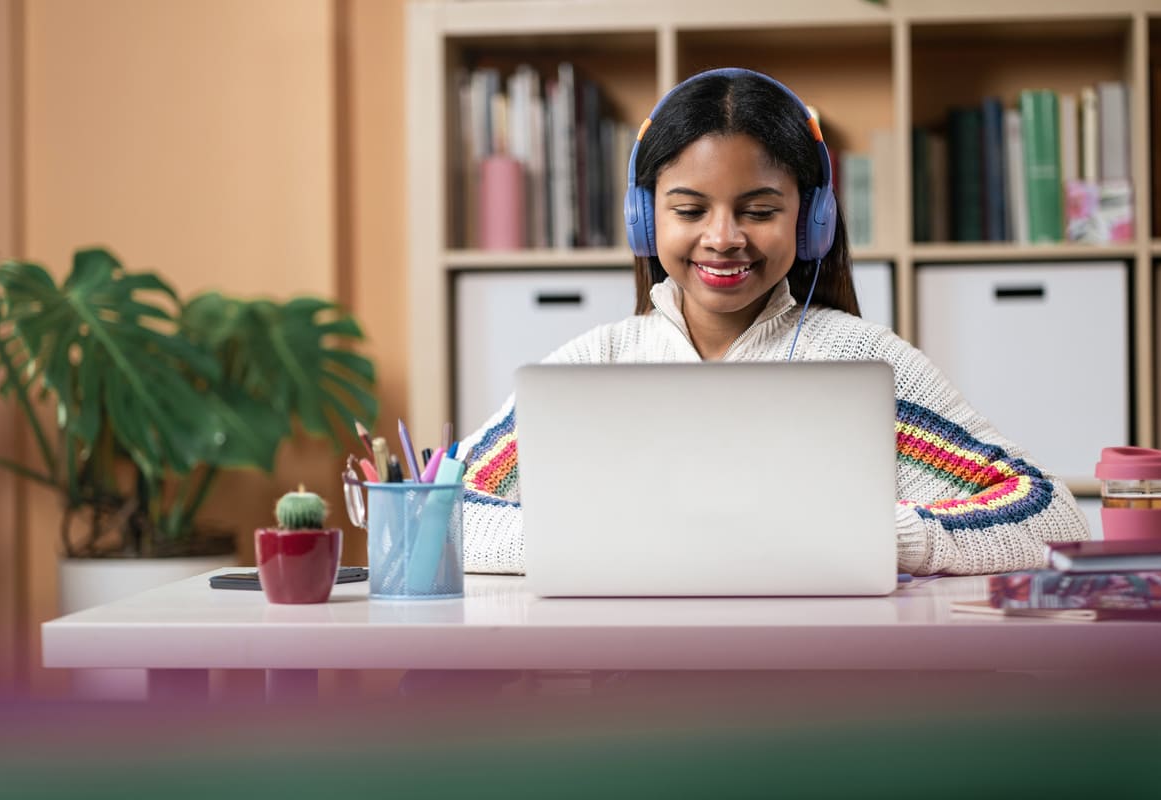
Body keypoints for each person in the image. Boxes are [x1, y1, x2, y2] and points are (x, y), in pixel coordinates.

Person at [456, 67, 1089, 577]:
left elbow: (1049, 514)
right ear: (645, 220)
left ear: (812, 221)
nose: (723, 238)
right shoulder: (598, 364)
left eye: (758, 210)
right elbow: (448, 511)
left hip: (819, 691)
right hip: (639, 694)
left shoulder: (864, 364)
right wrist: (612, 542)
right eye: (690, 209)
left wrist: (873, 535)